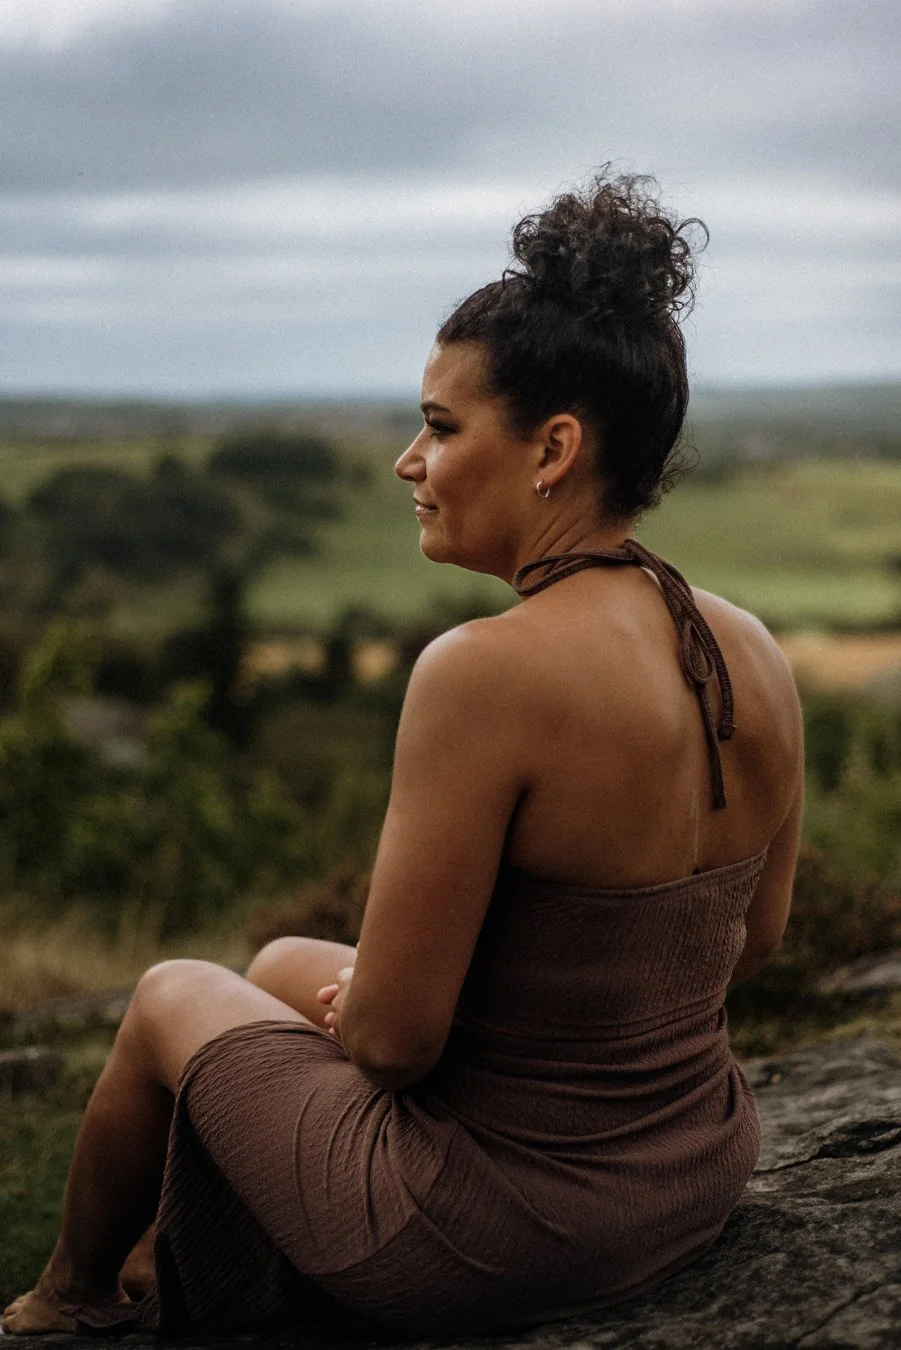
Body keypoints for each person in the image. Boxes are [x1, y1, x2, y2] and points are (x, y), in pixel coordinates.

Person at [3, 172, 803, 1338]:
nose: (406, 462)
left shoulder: (484, 672)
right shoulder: (749, 647)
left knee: (175, 993)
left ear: (554, 449)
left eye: (438, 426)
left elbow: (391, 1041)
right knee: (279, 960)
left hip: (494, 1233)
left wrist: (372, 1016)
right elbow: (755, 940)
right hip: (690, 1168)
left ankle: (65, 1302)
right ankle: (150, 1263)